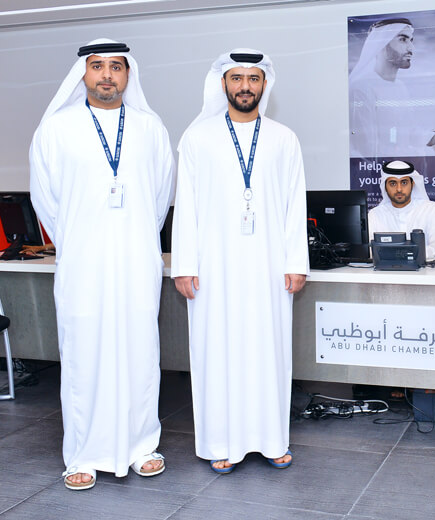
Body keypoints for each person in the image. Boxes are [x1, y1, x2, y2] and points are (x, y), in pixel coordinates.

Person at [30, 38, 175, 490]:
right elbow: (45, 200)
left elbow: (161, 197)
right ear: (83, 74)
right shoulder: (56, 129)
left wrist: (133, 237)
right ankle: (83, 454)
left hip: (136, 261)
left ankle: (142, 446)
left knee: (140, 353)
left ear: (128, 74)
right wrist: (80, 240)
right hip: (82, 264)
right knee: (83, 356)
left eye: (116, 66)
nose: (107, 75)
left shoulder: (150, 128)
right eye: (97, 66)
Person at [171, 49, 309, 474]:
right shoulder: (197, 138)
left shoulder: (284, 138)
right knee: (218, 352)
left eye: (253, 78)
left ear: (265, 84)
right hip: (214, 268)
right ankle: (221, 442)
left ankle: (272, 441)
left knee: (268, 351)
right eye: (237, 78)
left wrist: (296, 261)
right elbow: (186, 206)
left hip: (269, 266)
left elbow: (294, 204)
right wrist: (184, 265)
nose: (245, 86)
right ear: (223, 84)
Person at [349, 18, 418, 158]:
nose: (411, 48)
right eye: (403, 40)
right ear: (381, 45)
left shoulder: (401, 87)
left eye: (411, 40)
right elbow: (367, 149)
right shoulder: (361, 88)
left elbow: (410, 131)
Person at [368, 160, 435, 259]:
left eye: (404, 183)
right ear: (385, 187)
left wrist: (410, 255)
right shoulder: (375, 215)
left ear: (412, 184)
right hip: (386, 268)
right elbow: (369, 249)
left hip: (423, 268)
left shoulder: (432, 209)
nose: (399, 189)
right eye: (393, 183)